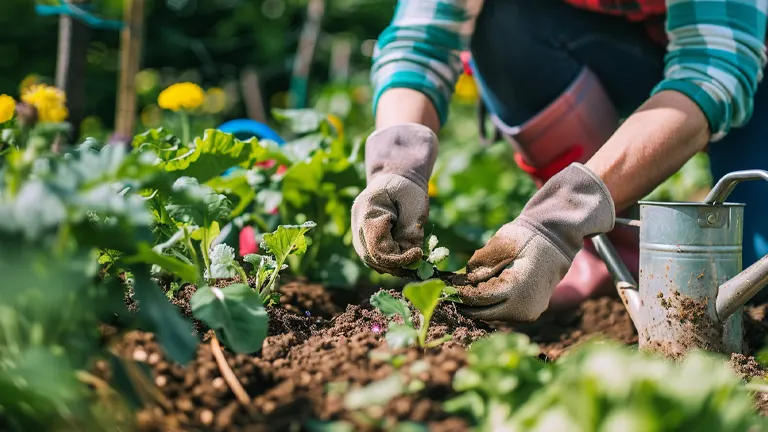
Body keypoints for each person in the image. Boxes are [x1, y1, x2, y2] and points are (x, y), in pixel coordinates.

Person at [351, 0, 768, 322]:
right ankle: (609, 251)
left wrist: (567, 211)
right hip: (606, 41)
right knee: (505, 23)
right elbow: (421, 41)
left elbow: (715, 69)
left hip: (749, 55)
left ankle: (579, 228)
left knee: (750, 287)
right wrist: (396, 163)